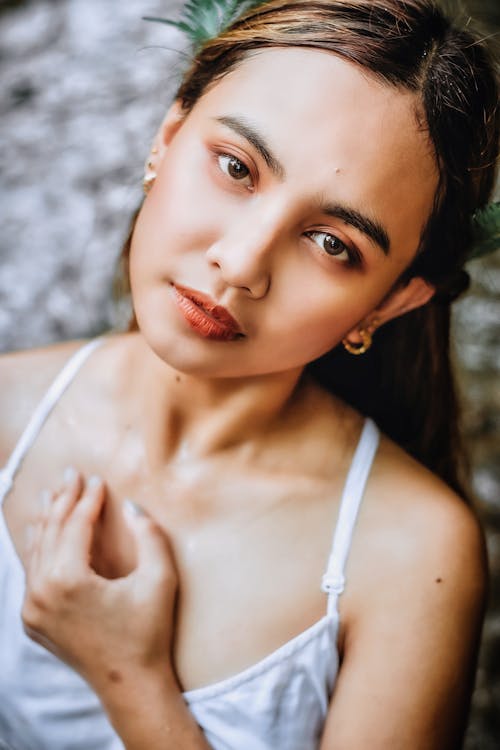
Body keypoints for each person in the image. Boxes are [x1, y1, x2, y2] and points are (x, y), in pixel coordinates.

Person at [0, 0, 498, 748]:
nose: (239, 264)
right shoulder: (4, 409)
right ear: (167, 140)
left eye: (333, 244)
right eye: (237, 168)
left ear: (393, 300)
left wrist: (129, 679)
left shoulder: (413, 557)